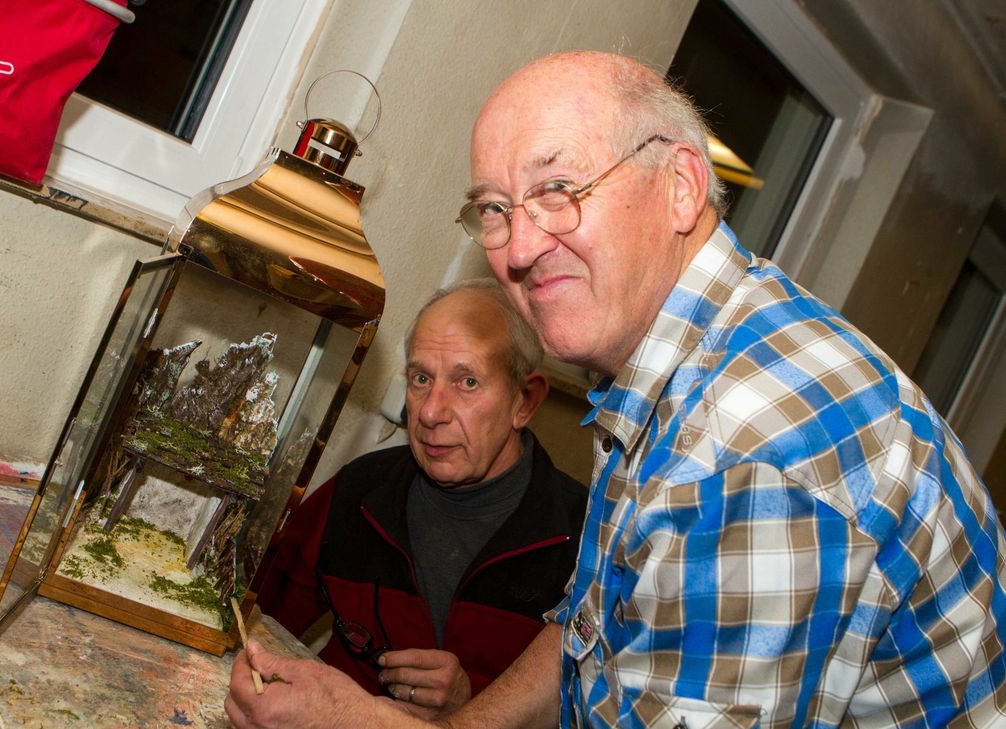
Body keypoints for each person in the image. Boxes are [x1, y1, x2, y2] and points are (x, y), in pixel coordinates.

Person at [227, 51, 1006, 728]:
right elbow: (589, 631)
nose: (521, 247)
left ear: (681, 185)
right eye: (495, 209)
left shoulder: (748, 453)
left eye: (558, 187)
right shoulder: (674, 368)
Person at [249, 278, 587, 719]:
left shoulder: (584, 539)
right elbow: (255, 625)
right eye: (421, 378)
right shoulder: (358, 494)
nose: (429, 412)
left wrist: (475, 702)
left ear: (524, 401)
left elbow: (594, 710)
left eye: (466, 382)